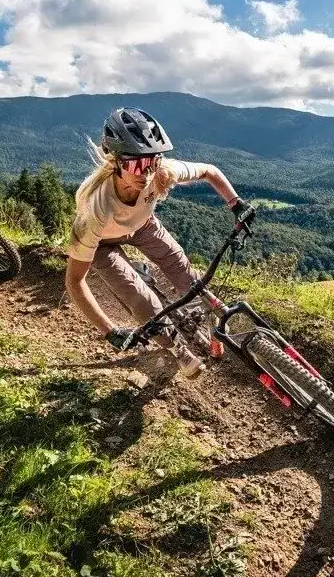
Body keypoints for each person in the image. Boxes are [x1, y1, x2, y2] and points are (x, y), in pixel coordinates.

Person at [65, 108, 254, 378]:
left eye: (152, 162)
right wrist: (110, 331)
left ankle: (211, 313)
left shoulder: (162, 171)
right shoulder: (96, 209)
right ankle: (177, 348)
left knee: (185, 274)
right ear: (115, 161)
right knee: (141, 299)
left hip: (143, 226)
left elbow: (210, 172)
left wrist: (237, 204)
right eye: (135, 165)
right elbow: (74, 281)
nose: (145, 174)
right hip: (103, 244)